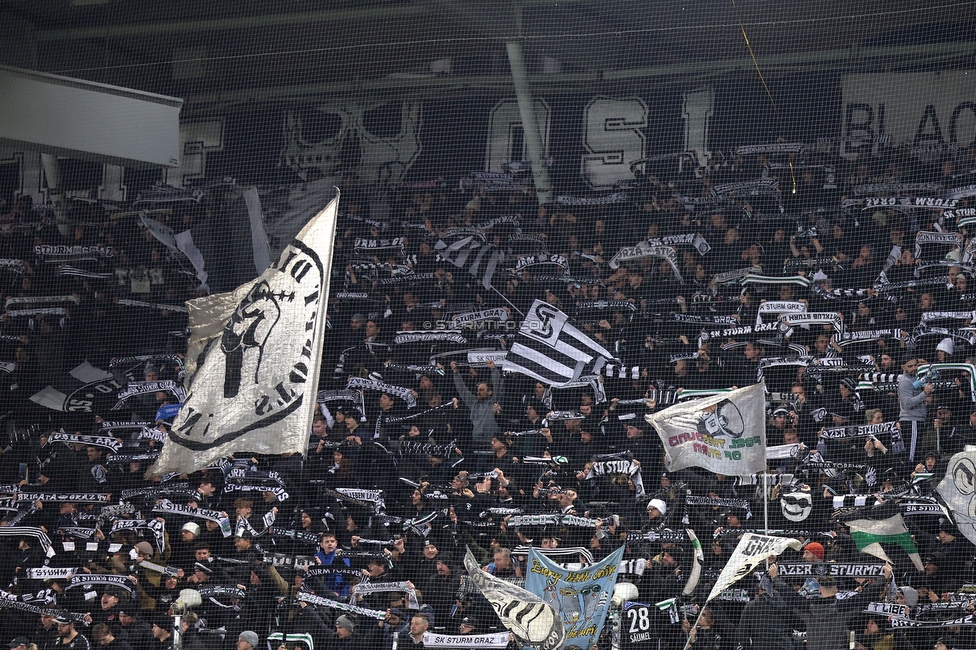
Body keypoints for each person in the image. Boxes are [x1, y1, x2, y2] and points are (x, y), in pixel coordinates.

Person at [898, 355, 934, 462]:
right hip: (911, 421)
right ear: (903, 367)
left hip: (918, 420)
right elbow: (907, 404)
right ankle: (909, 475)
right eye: (910, 366)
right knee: (911, 454)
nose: (913, 368)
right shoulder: (905, 382)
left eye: (915, 365)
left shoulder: (917, 378)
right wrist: (925, 393)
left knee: (916, 452)